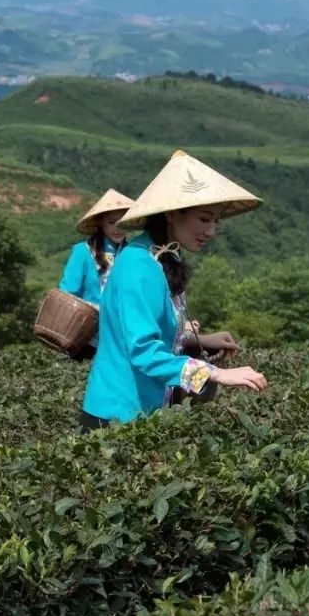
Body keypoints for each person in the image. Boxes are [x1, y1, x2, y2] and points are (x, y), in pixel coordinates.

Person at [80, 151, 268, 431]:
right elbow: (143, 352)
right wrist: (217, 374)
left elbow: (156, 331)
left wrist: (202, 340)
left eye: (216, 221)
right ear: (170, 213)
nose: (212, 231)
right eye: (204, 219)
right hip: (117, 416)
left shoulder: (164, 257)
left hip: (149, 411)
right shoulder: (138, 266)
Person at [58, 189, 135, 306]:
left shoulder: (132, 253)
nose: (118, 228)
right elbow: (67, 294)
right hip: (90, 321)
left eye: (122, 222)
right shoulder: (83, 252)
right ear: (100, 221)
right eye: (111, 222)